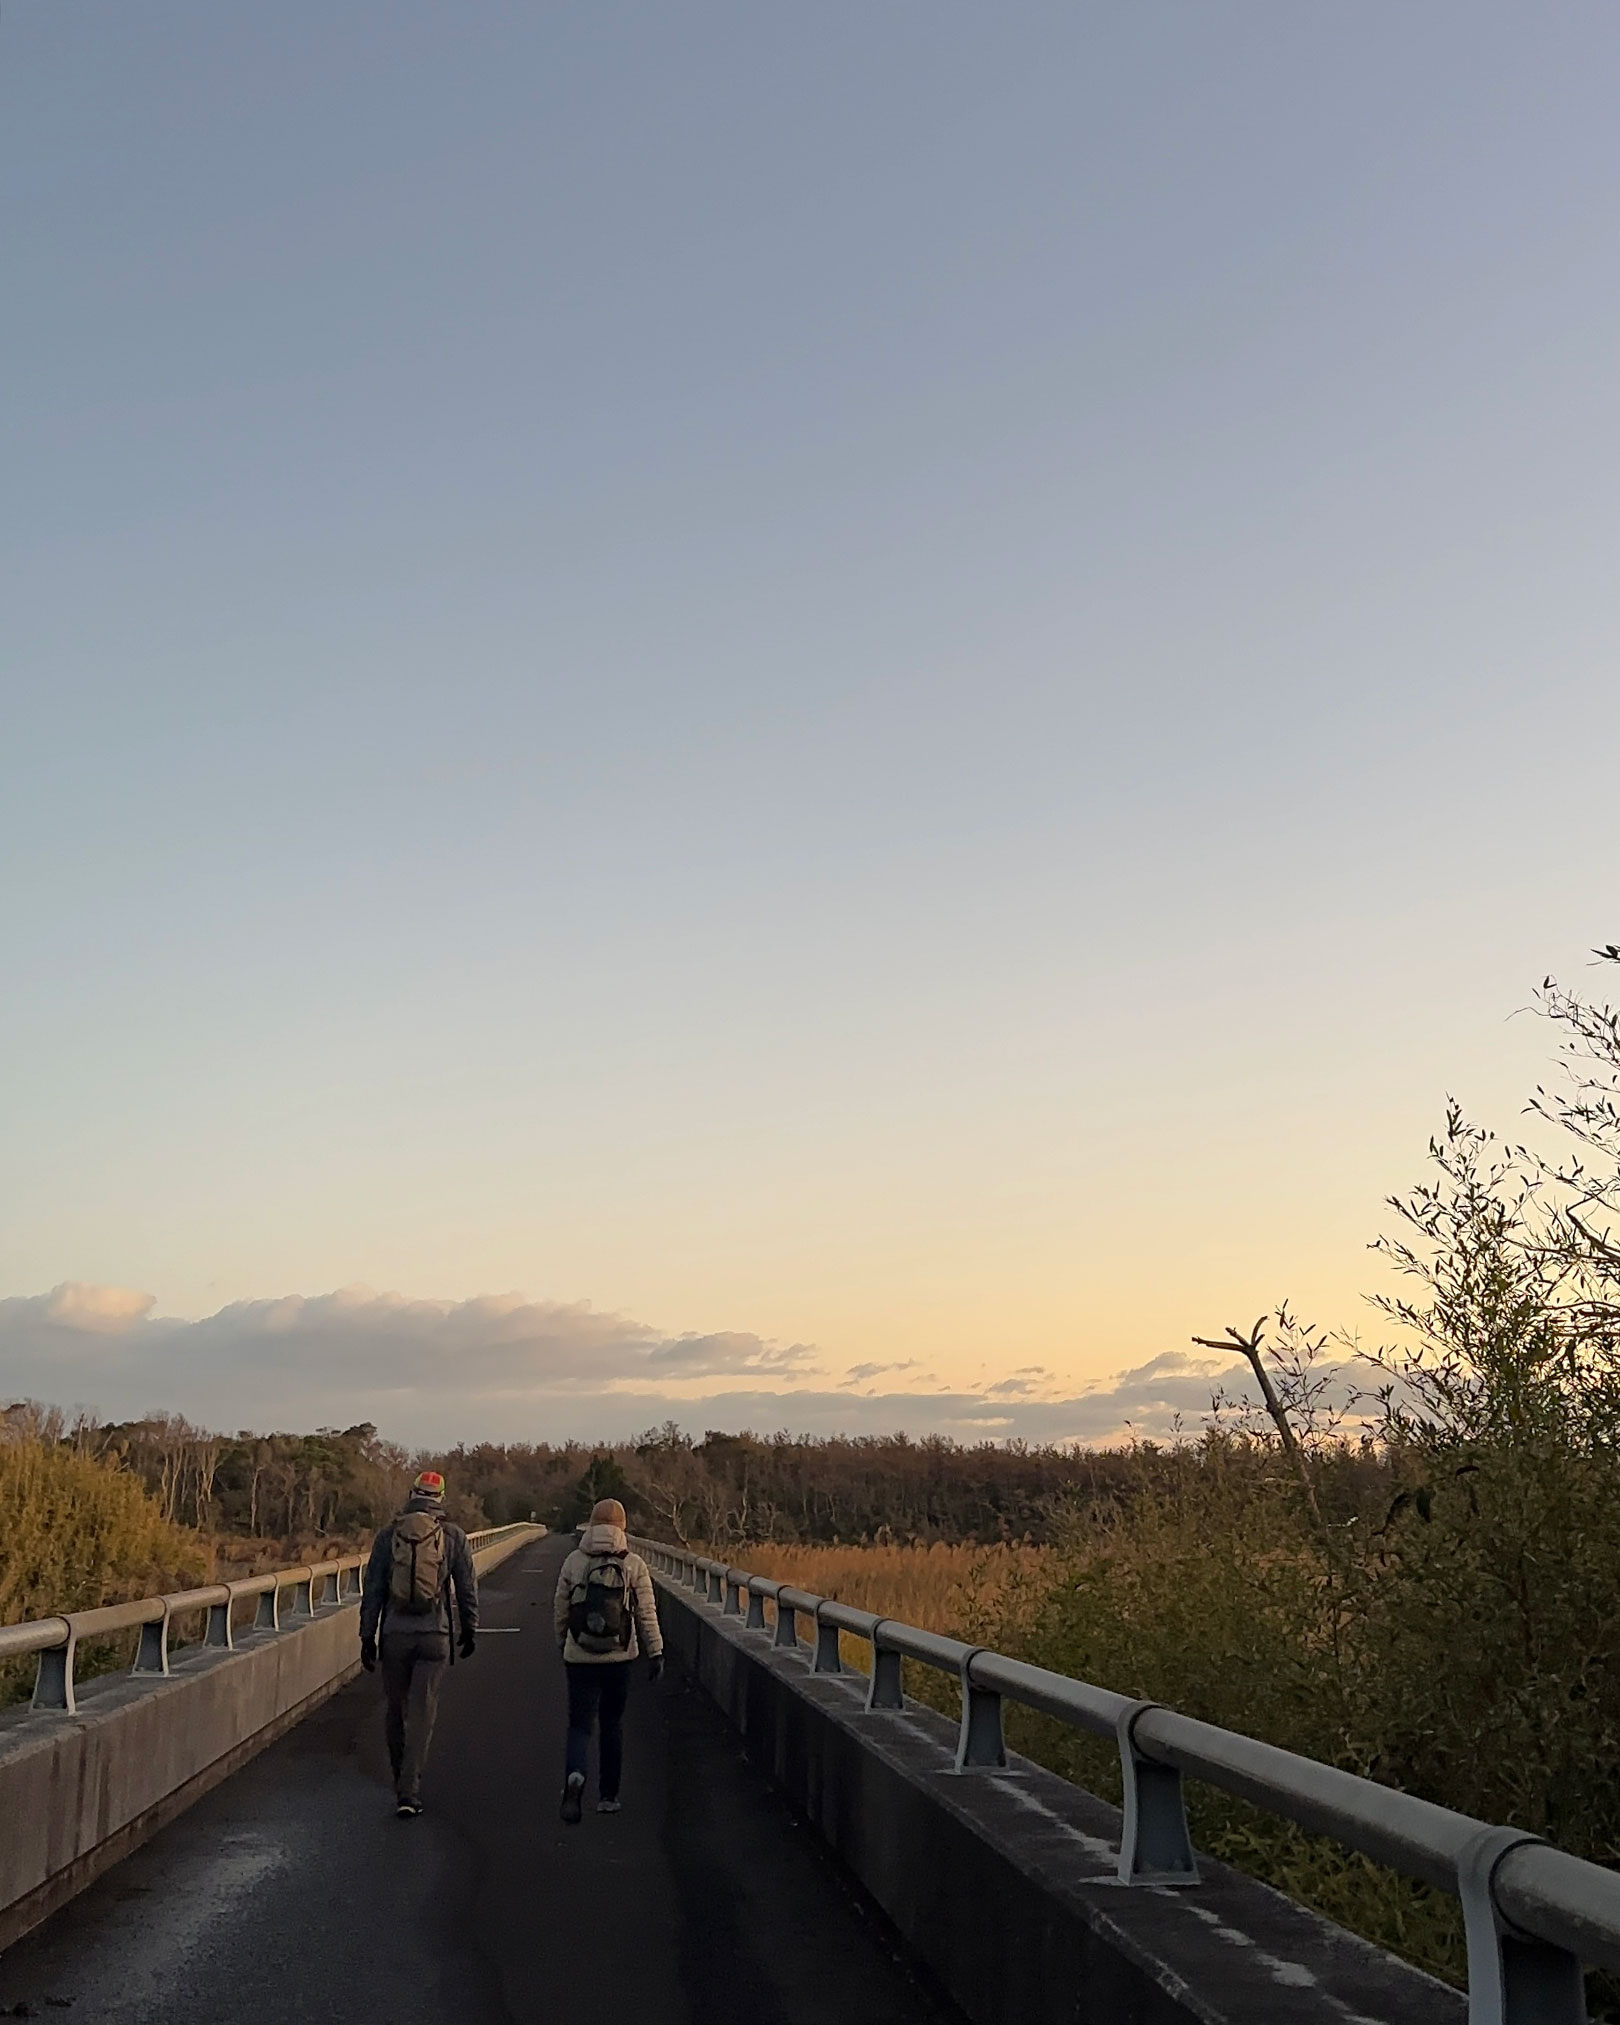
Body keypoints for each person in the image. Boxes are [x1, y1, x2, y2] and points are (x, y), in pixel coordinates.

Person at [360, 1469, 478, 1818]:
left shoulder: (388, 1535)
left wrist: (367, 1636)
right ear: (441, 1497)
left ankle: (400, 1779)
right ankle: (410, 1791)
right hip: (434, 1635)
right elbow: (467, 1589)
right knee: (423, 1711)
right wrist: (470, 1628)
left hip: (395, 1635)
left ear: (412, 1493)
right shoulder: (453, 1536)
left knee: (395, 1710)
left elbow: (374, 1591)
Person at [553, 1498, 663, 1822]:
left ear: (591, 1523)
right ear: (622, 1527)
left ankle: (575, 1777)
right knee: (612, 1724)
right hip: (619, 1655)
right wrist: (655, 1651)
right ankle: (608, 1796)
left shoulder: (574, 1561)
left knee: (579, 1725)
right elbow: (646, 1613)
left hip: (580, 1655)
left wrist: (563, 1642)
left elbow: (561, 1607)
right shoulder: (634, 1564)